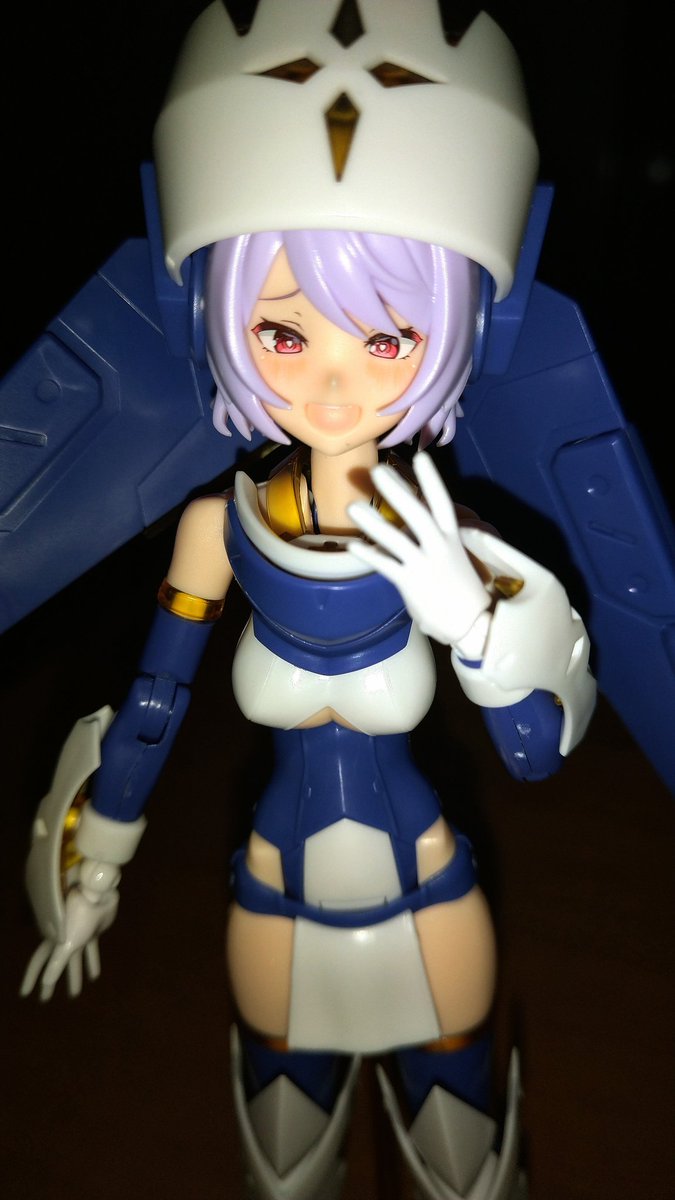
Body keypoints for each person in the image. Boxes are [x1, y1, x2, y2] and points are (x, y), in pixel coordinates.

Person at [21, 5, 596, 1197]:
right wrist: (95, 867)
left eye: (387, 340)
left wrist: (472, 619)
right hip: (273, 896)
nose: (332, 384)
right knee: (283, 1159)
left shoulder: (443, 540)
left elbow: (536, 752)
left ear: (464, 330)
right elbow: (151, 707)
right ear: (209, 318)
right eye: (282, 332)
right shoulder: (217, 532)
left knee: (465, 1163)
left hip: (431, 892)